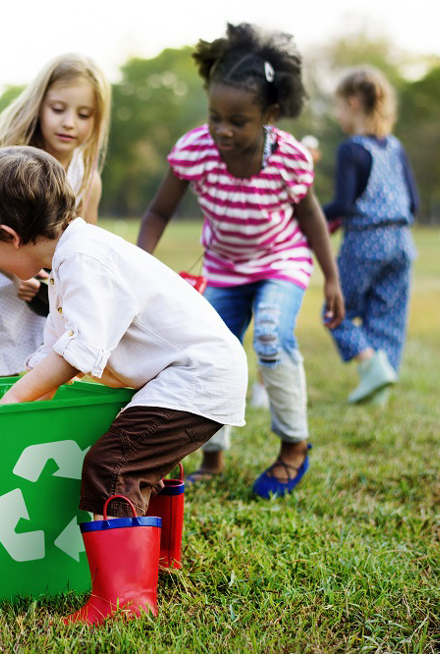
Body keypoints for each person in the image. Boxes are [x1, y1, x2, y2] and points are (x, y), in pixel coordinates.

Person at [0, 145, 247, 622]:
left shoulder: (84, 261)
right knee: (144, 460)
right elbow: (55, 352)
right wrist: (29, 400)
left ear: (10, 235)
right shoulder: (72, 258)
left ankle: (126, 602)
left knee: (113, 467)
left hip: (196, 376)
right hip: (186, 375)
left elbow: (77, 352)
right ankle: (158, 564)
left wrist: (13, 400)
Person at [137, 23, 345, 499]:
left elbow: (311, 217)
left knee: (271, 334)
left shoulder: (288, 158)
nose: (223, 130)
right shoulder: (195, 150)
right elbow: (158, 211)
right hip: (226, 269)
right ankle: (213, 453)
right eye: (215, 116)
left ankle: (294, 446)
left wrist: (331, 278)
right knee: (211, 353)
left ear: (269, 114)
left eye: (239, 120)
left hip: (280, 260)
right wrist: (141, 266)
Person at [0, 53, 111, 376]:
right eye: (58, 109)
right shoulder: (9, 163)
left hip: (47, 296)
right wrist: (16, 274)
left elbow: (85, 247)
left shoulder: (87, 179)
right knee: (4, 377)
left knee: (47, 372)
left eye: (84, 114)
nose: (69, 122)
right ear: (39, 105)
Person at [323, 66, 418, 405]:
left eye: (337, 107)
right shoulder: (395, 147)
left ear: (352, 103)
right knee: (387, 318)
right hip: (402, 243)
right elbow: (415, 202)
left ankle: (370, 367)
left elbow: (343, 204)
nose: (337, 115)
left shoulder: (351, 149)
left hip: (365, 242)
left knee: (337, 312)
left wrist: (307, 214)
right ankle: (378, 391)